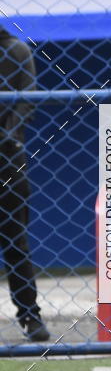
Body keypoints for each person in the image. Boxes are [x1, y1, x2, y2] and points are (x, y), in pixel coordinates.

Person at [0, 25, 49, 342]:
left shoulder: (15, 49)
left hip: (6, 159)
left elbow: (26, 102)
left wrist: (7, 138)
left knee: (16, 242)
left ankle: (30, 315)